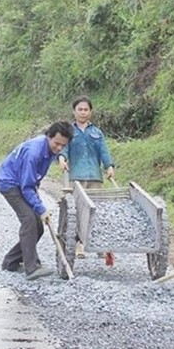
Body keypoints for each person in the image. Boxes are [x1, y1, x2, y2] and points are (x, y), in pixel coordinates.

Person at [0, 121, 74, 281]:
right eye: (57, 143)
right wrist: (40, 209)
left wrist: (38, 206)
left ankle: (10, 261)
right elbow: (26, 187)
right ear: (48, 137)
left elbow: (33, 181)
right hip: (10, 183)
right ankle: (32, 268)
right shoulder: (34, 152)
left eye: (63, 145)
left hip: (24, 183)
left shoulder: (50, 149)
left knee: (38, 226)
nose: (59, 148)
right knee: (29, 221)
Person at [57, 96, 115, 258]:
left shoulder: (97, 132)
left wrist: (109, 166)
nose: (83, 112)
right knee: (77, 211)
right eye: (80, 109)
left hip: (95, 177)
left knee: (96, 210)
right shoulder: (69, 131)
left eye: (86, 109)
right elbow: (63, 148)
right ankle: (78, 245)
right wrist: (62, 158)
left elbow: (104, 151)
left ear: (90, 112)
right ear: (74, 111)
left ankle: (97, 245)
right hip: (76, 177)